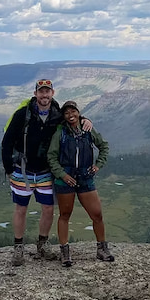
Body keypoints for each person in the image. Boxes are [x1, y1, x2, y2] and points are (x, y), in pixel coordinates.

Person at [1, 79, 91, 266]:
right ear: (35, 94)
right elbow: (7, 142)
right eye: (41, 92)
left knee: (48, 209)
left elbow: (71, 120)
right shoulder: (22, 114)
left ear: (53, 93)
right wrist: (9, 169)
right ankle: (19, 248)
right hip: (22, 170)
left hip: (45, 172)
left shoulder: (57, 115)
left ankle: (42, 244)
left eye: (47, 92)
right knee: (20, 209)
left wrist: (85, 119)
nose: (44, 95)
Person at [47, 100, 114, 267]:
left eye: (73, 111)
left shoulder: (88, 129)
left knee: (97, 215)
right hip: (65, 180)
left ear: (78, 112)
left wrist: (98, 164)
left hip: (85, 177)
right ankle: (65, 253)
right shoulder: (60, 132)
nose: (71, 115)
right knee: (65, 215)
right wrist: (62, 175)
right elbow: (52, 157)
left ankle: (102, 249)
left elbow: (104, 146)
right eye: (67, 112)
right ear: (64, 115)